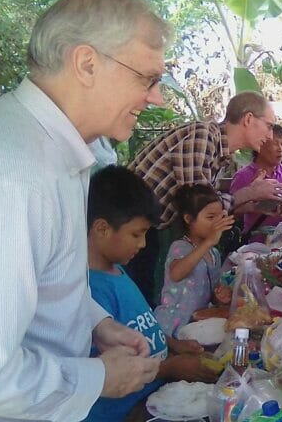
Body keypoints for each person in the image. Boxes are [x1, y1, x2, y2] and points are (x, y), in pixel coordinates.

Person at [0, 0, 165, 420]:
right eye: (146, 78)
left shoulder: (55, 154)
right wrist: (97, 378)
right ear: (86, 64)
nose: (155, 98)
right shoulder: (11, 177)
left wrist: (96, 323)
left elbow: (42, 282)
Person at [85, 166, 219, 421]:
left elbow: (140, 327)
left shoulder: (119, 271)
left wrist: (174, 344)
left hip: (159, 395)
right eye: (137, 234)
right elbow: (108, 370)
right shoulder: (91, 291)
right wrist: (171, 368)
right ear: (102, 228)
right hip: (126, 411)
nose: (143, 244)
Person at [127, 91, 282, 305]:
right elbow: (199, 206)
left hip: (146, 228)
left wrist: (252, 204)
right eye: (268, 126)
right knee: (138, 299)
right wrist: (250, 193)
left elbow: (209, 207)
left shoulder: (217, 150)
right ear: (248, 119)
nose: (270, 136)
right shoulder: (203, 137)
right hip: (128, 227)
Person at [154, 184, 235, 338]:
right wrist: (208, 242)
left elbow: (211, 289)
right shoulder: (180, 247)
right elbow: (176, 274)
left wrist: (220, 296)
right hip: (172, 325)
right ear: (188, 219)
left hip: (197, 325)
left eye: (220, 216)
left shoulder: (213, 253)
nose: (217, 222)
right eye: (210, 217)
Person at [230, 124, 282, 242]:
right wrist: (255, 207)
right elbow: (231, 210)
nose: (280, 149)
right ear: (260, 146)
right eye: (275, 144)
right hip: (256, 244)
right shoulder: (243, 176)